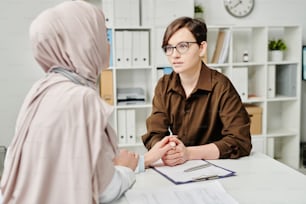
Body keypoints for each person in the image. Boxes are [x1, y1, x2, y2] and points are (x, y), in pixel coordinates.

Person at [0, 1, 173, 204]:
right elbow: (103, 190)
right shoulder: (80, 98)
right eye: (104, 36)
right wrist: (126, 170)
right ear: (85, 42)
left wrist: (143, 161)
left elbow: (68, 164)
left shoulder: (41, 90)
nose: (109, 44)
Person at [142, 17, 252, 167]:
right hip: (177, 168)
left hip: (217, 167)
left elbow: (240, 141)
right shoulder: (164, 85)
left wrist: (188, 153)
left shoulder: (221, 86)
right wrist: (167, 150)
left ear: (202, 48)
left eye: (183, 46)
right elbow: (155, 133)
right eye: (169, 48)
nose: (174, 55)